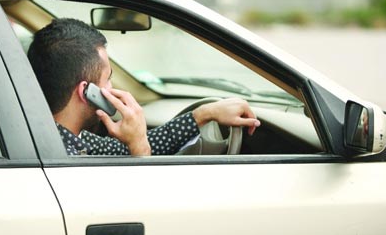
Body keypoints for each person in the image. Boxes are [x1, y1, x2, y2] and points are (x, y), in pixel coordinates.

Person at [27, 18, 261, 156]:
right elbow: (145, 207)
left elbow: (145, 146)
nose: (113, 87)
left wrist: (205, 113)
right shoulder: (63, 160)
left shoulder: (61, 138)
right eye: (108, 78)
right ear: (87, 93)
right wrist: (139, 147)